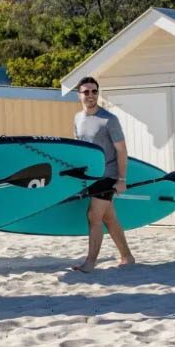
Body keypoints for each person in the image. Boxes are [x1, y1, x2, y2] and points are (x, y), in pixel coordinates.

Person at [69, 76, 136, 273]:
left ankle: (90, 263)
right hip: (91, 176)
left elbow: (122, 150)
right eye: (86, 92)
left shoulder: (109, 120)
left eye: (94, 91)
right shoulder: (77, 118)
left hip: (108, 174)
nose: (90, 95)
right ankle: (127, 256)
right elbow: (80, 148)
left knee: (93, 215)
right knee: (109, 217)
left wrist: (121, 179)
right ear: (79, 95)